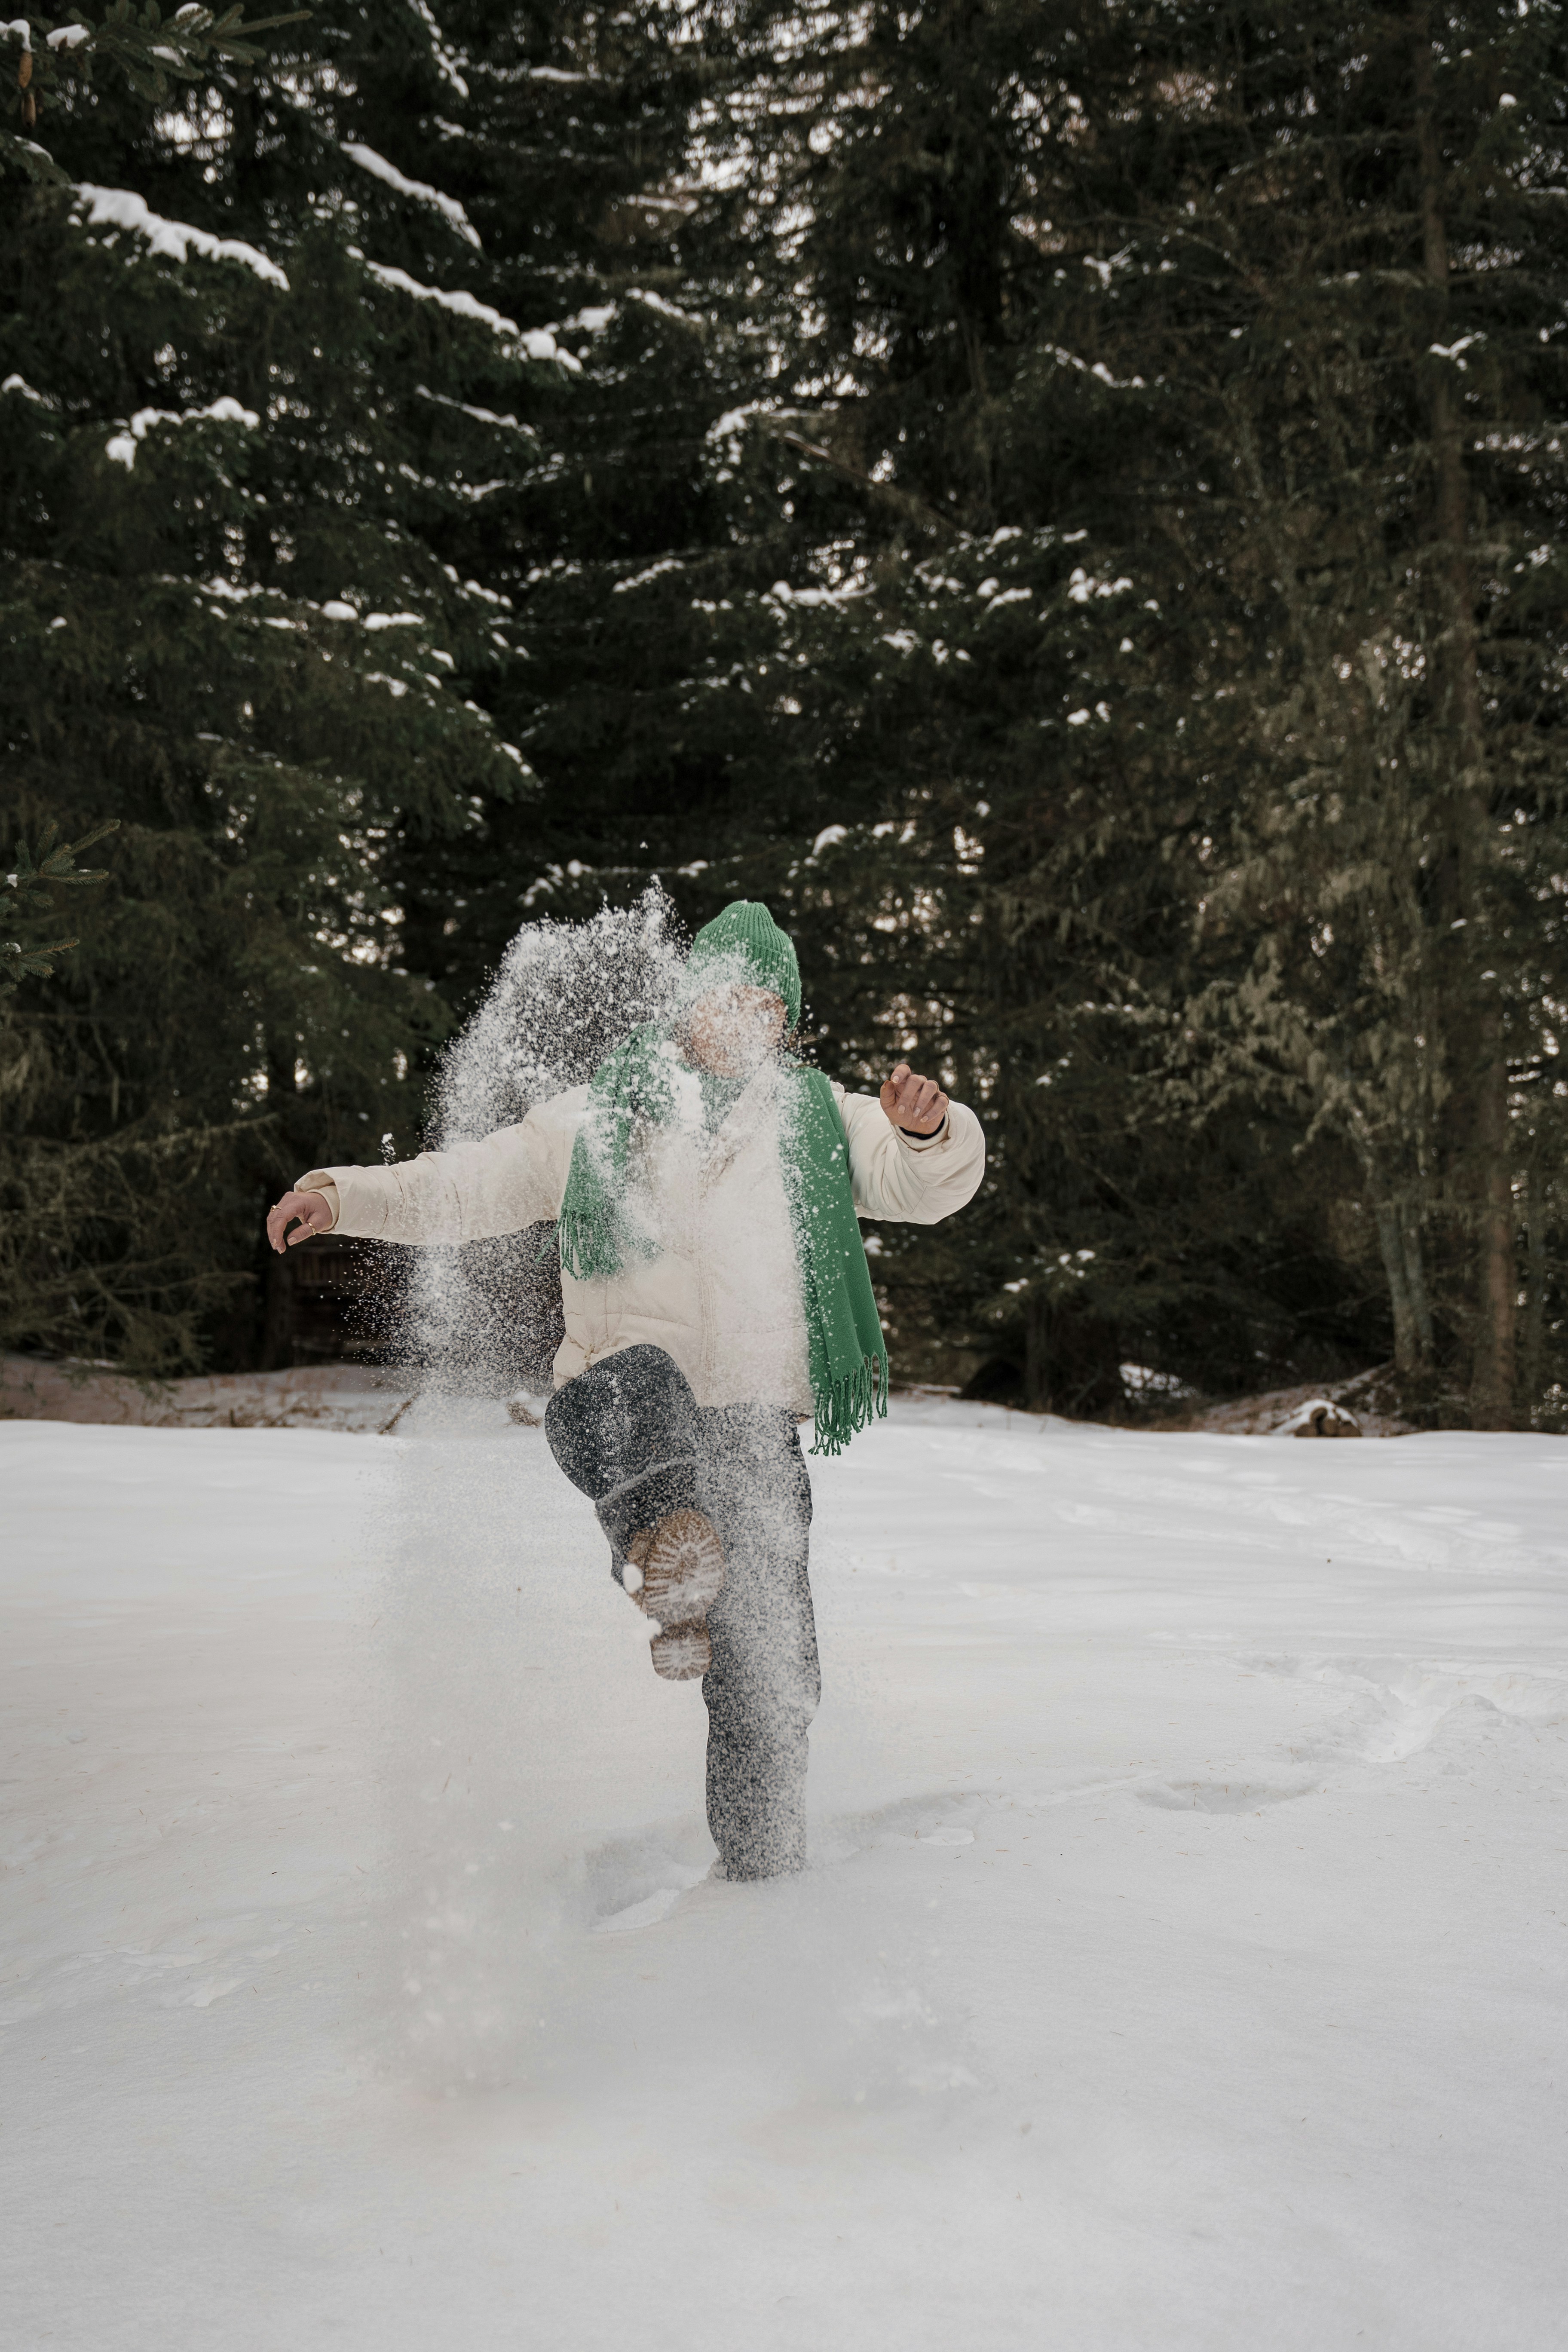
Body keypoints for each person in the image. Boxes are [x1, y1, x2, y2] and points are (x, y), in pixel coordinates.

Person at [266, 902, 985, 1879]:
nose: (745, 1018)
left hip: (751, 1428)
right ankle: (666, 1560)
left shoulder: (820, 1119)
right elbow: (470, 1185)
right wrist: (343, 1196)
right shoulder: (594, 1115)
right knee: (643, 1384)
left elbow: (924, 1187)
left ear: (786, 1021)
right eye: (727, 995)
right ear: (690, 1002)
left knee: (772, 1672)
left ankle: (764, 1874)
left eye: (768, 1004)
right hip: (614, 1406)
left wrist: (933, 1129)